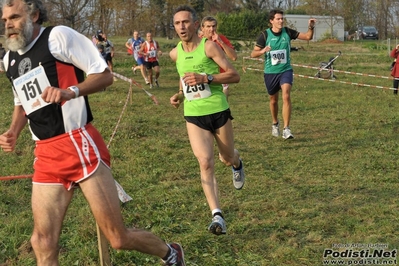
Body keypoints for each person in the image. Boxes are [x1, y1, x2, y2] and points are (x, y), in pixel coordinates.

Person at [0, 0, 185, 265]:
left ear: (34, 15)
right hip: (46, 153)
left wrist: (70, 91)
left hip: (79, 144)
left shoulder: (58, 37)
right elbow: (22, 103)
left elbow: (104, 75)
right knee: (42, 241)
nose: (8, 25)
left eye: (15, 17)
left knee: (118, 238)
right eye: (5, 20)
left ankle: (170, 252)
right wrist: (13, 131)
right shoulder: (10, 58)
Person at [169, 5, 244, 236]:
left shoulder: (208, 46)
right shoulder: (175, 53)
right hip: (194, 115)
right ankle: (217, 215)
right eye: (177, 23)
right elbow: (185, 80)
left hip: (218, 110)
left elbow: (234, 74)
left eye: (185, 22)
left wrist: (207, 77)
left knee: (226, 157)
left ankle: (237, 163)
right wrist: (179, 95)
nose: (182, 26)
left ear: (194, 25)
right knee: (205, 162)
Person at [250, 9, 315, 139]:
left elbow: (308, 37)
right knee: (273, 101)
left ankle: (286, 129)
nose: (281, 21)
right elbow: (253, 54)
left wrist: (311, 27)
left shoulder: (288, 32)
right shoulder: (264, 35)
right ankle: (275, 123)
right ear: (271, 21)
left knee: (286, 96)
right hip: (270, 72)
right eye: (278, 19)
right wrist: (263, 51)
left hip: (285, 70)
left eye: (282, 19)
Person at [200, 16, 237, 100]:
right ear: (202, 28)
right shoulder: (197, 41)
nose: (211, 29)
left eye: (214, 26)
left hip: (221, 77)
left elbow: (234, 57)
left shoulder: (221, 39)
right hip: (203, 76)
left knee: (222, 104)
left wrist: (221, 42)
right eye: (208, 26)